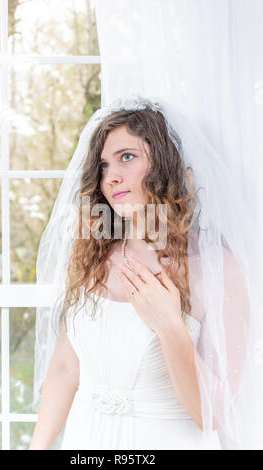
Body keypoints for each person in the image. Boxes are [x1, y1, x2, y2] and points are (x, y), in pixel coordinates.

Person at [29, 95, 263, 450]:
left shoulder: (215, 266)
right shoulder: (93, 254)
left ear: (165, 165)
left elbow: (212, 416)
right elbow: (65, 367)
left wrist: (170, 325)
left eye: (127, 157)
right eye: (104, 165)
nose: (112, 177)